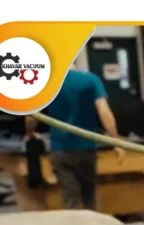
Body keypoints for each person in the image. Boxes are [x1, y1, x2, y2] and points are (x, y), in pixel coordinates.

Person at [25, 68, 124, 210]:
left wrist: (30, 132)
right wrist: (116, 141)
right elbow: (104, 111)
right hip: (86, 149)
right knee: (89, 198)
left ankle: (75, 223)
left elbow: (32, 115)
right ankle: (94, 223)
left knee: (70, 200)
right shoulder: (91, 80)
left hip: (60, 149)